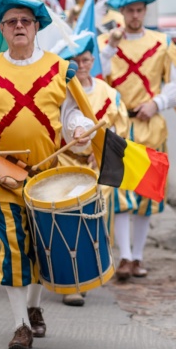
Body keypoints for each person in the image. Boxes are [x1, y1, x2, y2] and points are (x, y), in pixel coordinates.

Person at [0, 0, 96, 349]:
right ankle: (20, 325)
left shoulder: (59, 70)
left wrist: (78, 129)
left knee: (43, 248)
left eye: (25, 22)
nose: (19, 27)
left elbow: (72, 114)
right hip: (1, 177)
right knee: (13, 248)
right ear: (2, 29)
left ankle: (34, 306)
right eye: (11, 22)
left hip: (48, 177)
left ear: (36, 28)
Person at [98, 0, 176, 281]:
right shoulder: (106, 43)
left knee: (146, 195)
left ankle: (137, 256)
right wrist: (110, 45)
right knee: (121, 194)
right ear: (121, 13)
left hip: (151, 125)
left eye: (139, 10)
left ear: (145, 11)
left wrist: (157, 103)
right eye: (129, 11)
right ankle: (123, 256)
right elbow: (96, 76)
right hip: (119, 127)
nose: (135, 16)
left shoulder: (162, 42)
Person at [52, 31, 130, 307]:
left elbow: (121, 131)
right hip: (67, 161)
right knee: (67, 221)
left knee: (95, 221)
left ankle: (88, 273)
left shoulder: (108, 94)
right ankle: (70, 282)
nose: (81, 65)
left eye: (85, 60)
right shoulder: (61, 92)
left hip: (97, 166)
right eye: (75, 60)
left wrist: (104, 156)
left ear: (93, 61)